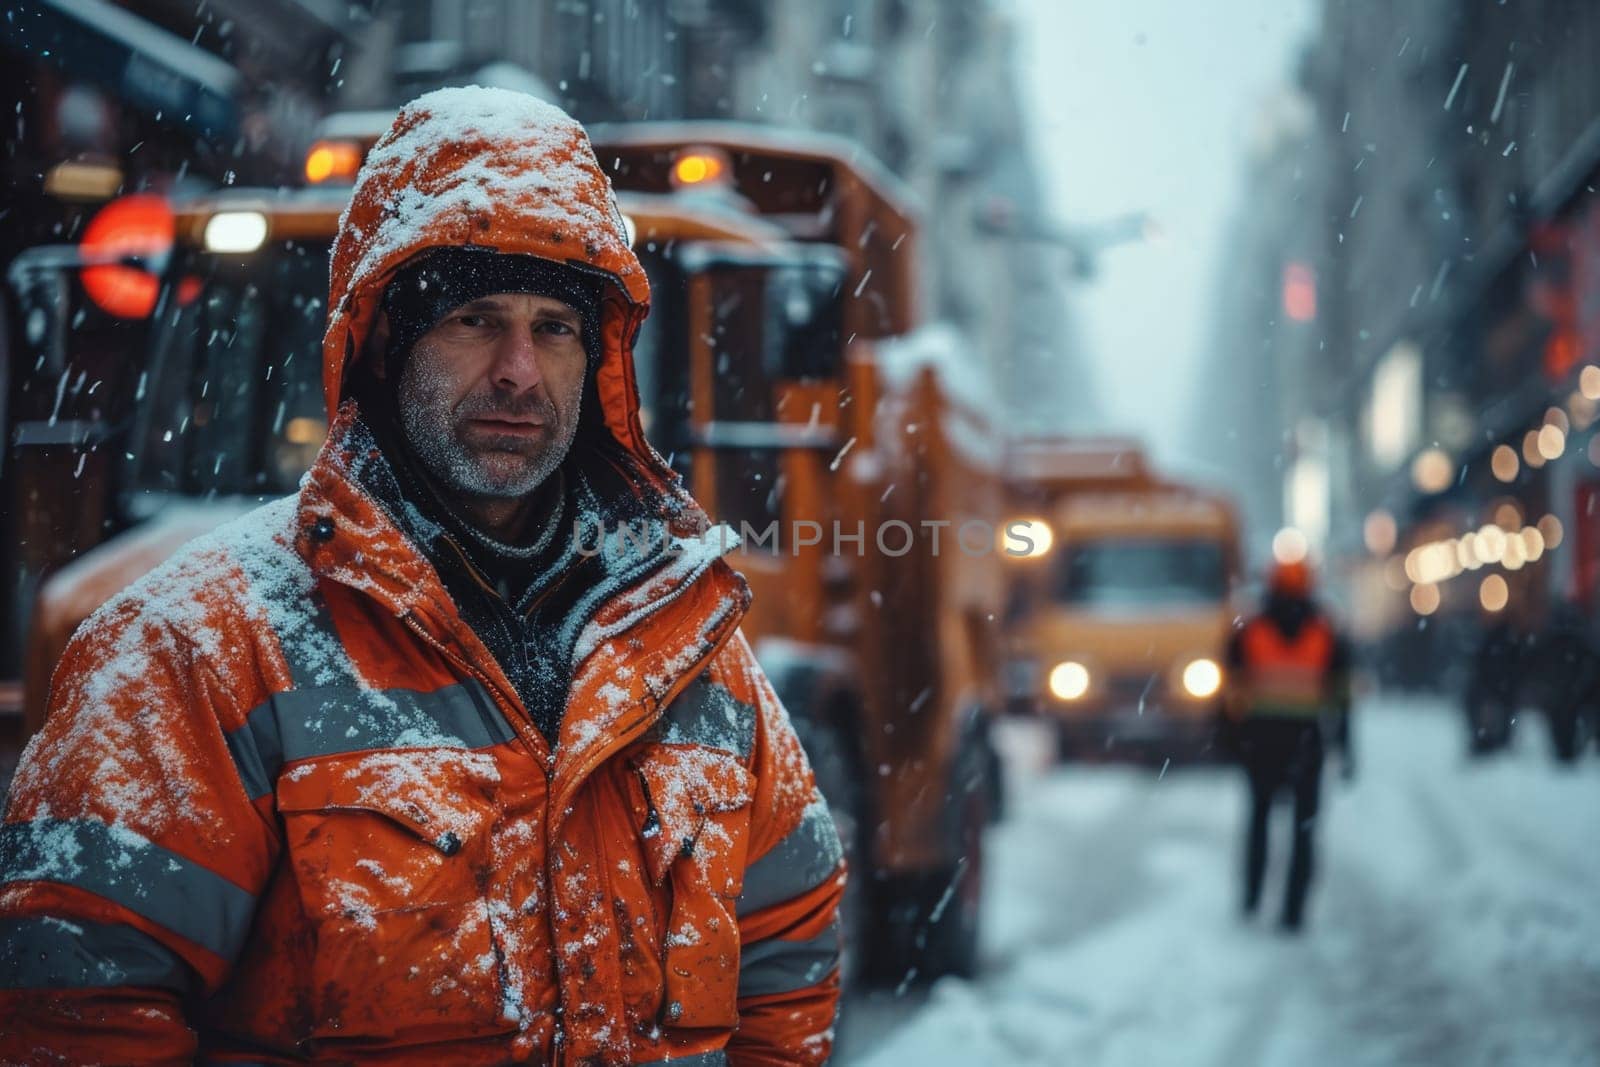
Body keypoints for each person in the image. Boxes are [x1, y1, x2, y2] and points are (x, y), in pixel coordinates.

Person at [0, 88, 844, 1065]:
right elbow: (75, 1002)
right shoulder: (198, 641)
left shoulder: (689, 644)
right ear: (386, 342)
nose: (520, 370)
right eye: (475, 318)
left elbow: (791, 959)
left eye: (555, 327)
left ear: (600, 359)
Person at [1224, 558, 1352, 932]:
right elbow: (1341, 697)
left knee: (1260, 822)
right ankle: (1293, 912)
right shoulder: (1324, 630)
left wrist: (1230, 740)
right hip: (1306, 742)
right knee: (1303, 829)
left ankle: (1252, 899)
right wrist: (1345, 746)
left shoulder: (1251, 630)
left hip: (1261, 742)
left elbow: (1231, 692)